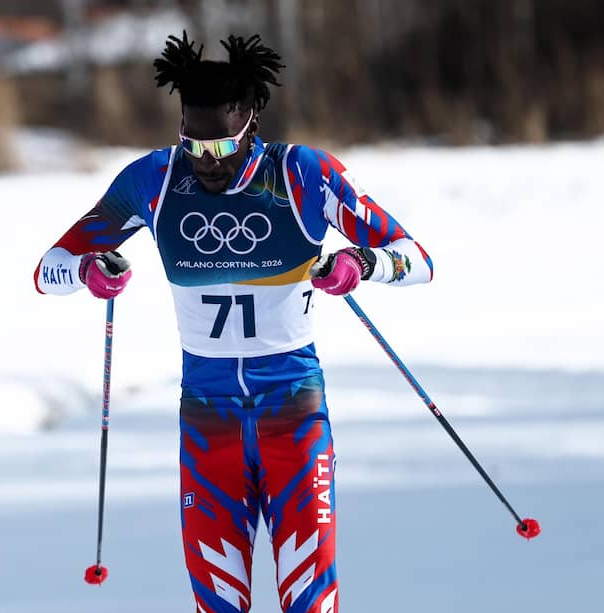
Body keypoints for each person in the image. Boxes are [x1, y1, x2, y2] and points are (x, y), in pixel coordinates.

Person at [34, 31, 433, 613]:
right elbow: (49, 269)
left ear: (251, 126)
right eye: (191, 145)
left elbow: (417, 259)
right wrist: (91, 273)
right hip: (207, 416)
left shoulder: (305, 176)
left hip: (291, 410)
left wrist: (361, 262)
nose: (204, 163)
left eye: (220, 150)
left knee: (310, 598)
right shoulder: (154, 180)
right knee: (217, 602)